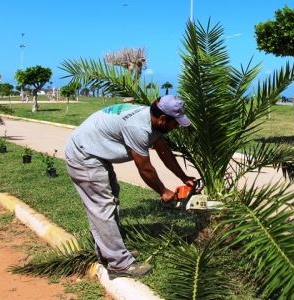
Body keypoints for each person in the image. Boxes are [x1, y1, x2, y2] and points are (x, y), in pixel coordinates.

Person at [65, 95, 196, 278]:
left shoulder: (153, 121)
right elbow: (145, 168)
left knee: (111, 199)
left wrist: (184, 177)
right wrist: (163, 191)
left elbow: (164, 152)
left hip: (95, 153)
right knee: (102, 206)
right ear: (163, 119)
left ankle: (109, 252)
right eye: (176, 123)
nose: (176, 128)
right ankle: (119, 264)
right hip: (84, 154)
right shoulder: (138, 128)